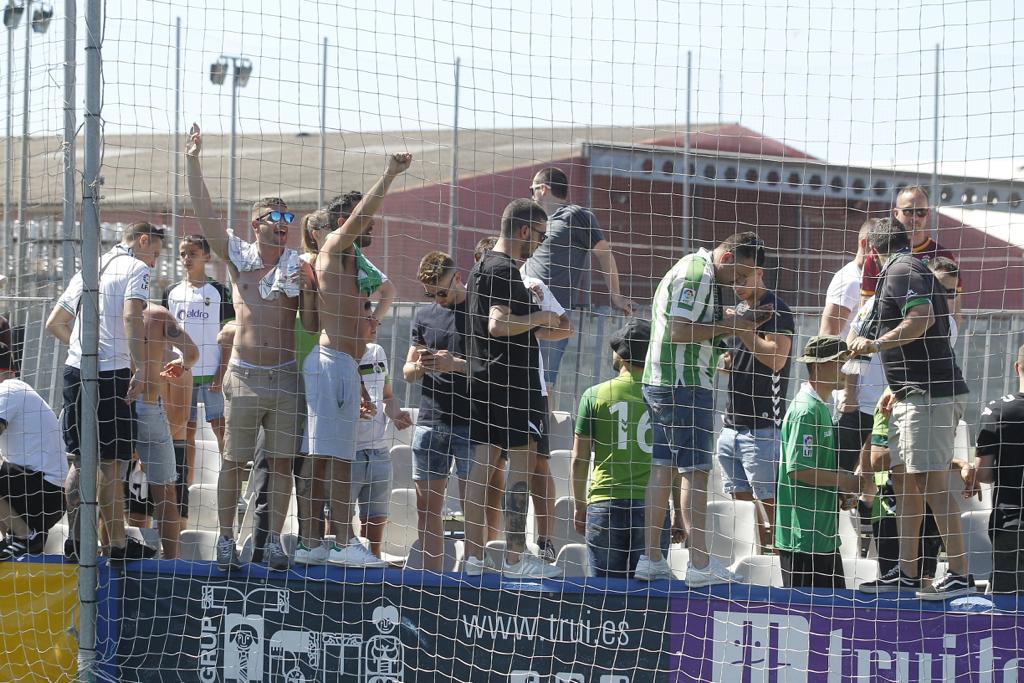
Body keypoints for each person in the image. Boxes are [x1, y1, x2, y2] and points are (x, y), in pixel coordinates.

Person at [186, 123, 313, 570]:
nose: (283, 228)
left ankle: (274, 540)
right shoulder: (239, 255)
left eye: (287, 221)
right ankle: (225, 539)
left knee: (280, 465)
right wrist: (193, 160)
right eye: (275, 221)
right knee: (233, 462)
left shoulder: (301, 265)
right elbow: (203, 213)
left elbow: (314, 315)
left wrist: (311, 289)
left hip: (284, 377)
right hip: (243, 375)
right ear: (256, 225)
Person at [297, 152, 412, 567]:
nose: (372, 226)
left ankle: (317, 542)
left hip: (343, 365)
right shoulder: (332, 244)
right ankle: (335, 540)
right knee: (326, 459)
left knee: (330, 458)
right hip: (329, 363)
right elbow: (314, 327)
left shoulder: (351, 263)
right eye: (363, 219)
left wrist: (370, 319)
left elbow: (315, 320)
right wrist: (391, 174)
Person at [851, 217, 973, 599]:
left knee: (932, 484)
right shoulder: (899, 271)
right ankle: (904, 573)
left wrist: (874, 345)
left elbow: (922, 320)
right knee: (905, 482)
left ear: (872, 249)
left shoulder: (903, 269)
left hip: (930, 394)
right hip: (910, 394)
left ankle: (959, 573)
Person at [636, 232, 766, 585]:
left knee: (663, 467)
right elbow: (679, 330)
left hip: (664, 380)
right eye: (740, 275)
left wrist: (731, 316)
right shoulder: (699, 274)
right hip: (684, 383)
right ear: (726, 259)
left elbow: (690, 318)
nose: (739, 283)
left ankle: (651, 558)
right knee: (696, 471)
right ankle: (699, 564)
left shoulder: (695, 270)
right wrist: (731, 325)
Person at [45, 221, 165, 561]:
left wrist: (85, 350)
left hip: (75, 371)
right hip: (112, 375)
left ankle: (77, 544)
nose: (154, 262)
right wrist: (139, 365)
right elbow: (131, 316)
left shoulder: (90, 266)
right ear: (143, 240)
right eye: (155, 253)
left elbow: (55, 322)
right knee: (112, 466)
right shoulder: (136, 268)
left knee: (81, 462)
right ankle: (116, 546)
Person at [462, 198, 564, 578]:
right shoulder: (505, 270)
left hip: (483, 382)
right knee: (520, 466)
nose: (539, 243)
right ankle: (516, 559)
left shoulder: (479, 268)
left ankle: (473, 557)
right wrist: (542, 316)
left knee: (482, 467)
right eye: (539, 235)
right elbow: (498, 324)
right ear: (525, 231)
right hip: (511, 385)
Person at [523, 167, 637, 390]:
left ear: (543, 189)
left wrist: (616, 296)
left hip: (550, 315)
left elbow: (604, 254)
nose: (530, 194)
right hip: (523, 313)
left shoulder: (575, 216)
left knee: (543, 384)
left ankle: (543, 425)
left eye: (532, 189)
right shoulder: (537, 222)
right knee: (520, 380)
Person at [572, 319, 666, 578]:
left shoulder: (594, 395)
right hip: (652, 507)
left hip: (604, 503)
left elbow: (579, 459)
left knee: (604, 597)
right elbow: (673, 464)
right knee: (651, 597)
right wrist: (677, 514)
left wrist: (581, 506)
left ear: (622, 356)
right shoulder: (664, 398)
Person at [405, 251, 476, 572]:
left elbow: (493, 368)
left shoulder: (480, 313)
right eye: (430, 294)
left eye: (442, 292)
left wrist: (455, 365)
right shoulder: (423, 316)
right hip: (431, 421)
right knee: (427, 509)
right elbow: (406, 370)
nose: (437, 299)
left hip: (472, 424)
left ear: (458, 277)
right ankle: (432, 579)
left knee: (474, 507)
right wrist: (418, 366)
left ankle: (475, 574)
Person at [716, 264, 794, 550]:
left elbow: (776, 359)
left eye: (744, 278)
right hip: (730, 427)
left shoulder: (777, 309)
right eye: (733, 280)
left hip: (763, 429)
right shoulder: (739, 311)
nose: (738, 285)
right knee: (744, 518)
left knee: (771, 511)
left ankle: (776, 568)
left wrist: (742, 327)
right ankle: (754, 568)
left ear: (759, 272)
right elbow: (732, 359)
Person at [162, 234, 234, 531]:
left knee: (222, 431)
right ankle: (185, 487)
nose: (186, 258)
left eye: (192, 253)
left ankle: (233, 490)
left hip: (213, 373)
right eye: (182, 253)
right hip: (183, 375)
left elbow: (230, 332)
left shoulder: (218, 291)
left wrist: (222, 373)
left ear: (206, 256)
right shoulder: (171, 291)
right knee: (185, 431)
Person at [775, 336, 860, 588]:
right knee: (808, 619)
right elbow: (799, 470)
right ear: (819, 366)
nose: (845, 369)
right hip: (803, 539)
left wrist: (838, 489)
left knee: (834, 618)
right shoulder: (806, 410)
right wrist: (845, 480)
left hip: (821, 536)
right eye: (839, 362)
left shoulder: (818, 406)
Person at [133, 305, 200, 559]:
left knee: (174, 511)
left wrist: (146, 451)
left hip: (169, 444)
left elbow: (181, 418)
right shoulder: (129, 356)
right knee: (135, 516)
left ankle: (171, 564)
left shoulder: (175, 363)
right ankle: (112, 553)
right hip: (139, 437)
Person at [354, 305, 413, 560]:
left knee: (376, 515)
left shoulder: (377, 351)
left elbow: (387, 396)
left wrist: (396, 414)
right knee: (335, 518)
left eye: (376, 320)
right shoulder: (338, 354)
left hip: (378, 451)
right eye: (369, 320)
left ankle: (375, 559)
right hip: (348, 451)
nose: (375, 325)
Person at [0, 342, 67, 560]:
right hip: (34, 490)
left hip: (44, 494)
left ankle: (25, 537)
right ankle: (12, 540)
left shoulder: (9, 388)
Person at [821, 219, 876, 472]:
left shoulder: (874, 279)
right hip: (850, 397)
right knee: (841, 473)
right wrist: (844, 391)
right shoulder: (850, 279)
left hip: (871, 395)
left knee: (867, 476)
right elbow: (828, 335)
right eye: (880, 250)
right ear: (865, 244)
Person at [860, 186, 962, 313]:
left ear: (928, 214)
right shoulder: (878, 254)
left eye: (921, 212)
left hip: (931, 330)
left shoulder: (943, 255)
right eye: (908, 211)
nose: (915, 218)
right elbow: (866, 302)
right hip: (889, 329)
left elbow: (954, 306)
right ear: (896, 213)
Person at [973, 343, 1024, 593]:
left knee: (1010, 612)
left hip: (1011, 523)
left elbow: (982, 473)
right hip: (1009, 525)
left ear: (1017, 367)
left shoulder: (997, 409)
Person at [321, 190, 397, 320]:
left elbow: (389, 290)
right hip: (337, 340)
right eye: (364, 217)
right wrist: (390, 174)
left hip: (357, 339)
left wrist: (373, 322)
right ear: (342, 224)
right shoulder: (333, 250)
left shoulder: (358, 259)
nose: (372, 223)